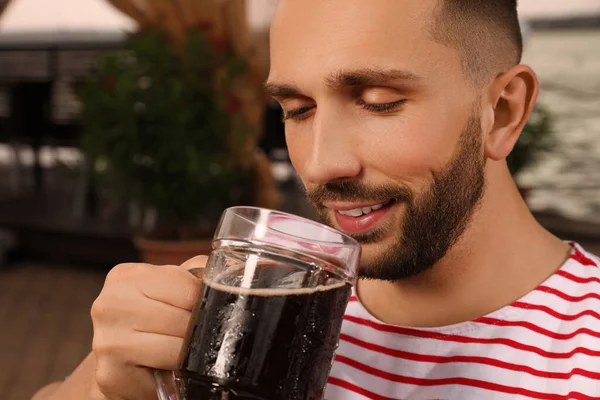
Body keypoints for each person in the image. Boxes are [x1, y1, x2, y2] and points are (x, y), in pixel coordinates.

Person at [34, 0, 600, 399]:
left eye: (378, 101)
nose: (322, 163)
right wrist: (107, 385)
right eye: (298, 110)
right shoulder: (250, 312)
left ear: (502, 111)